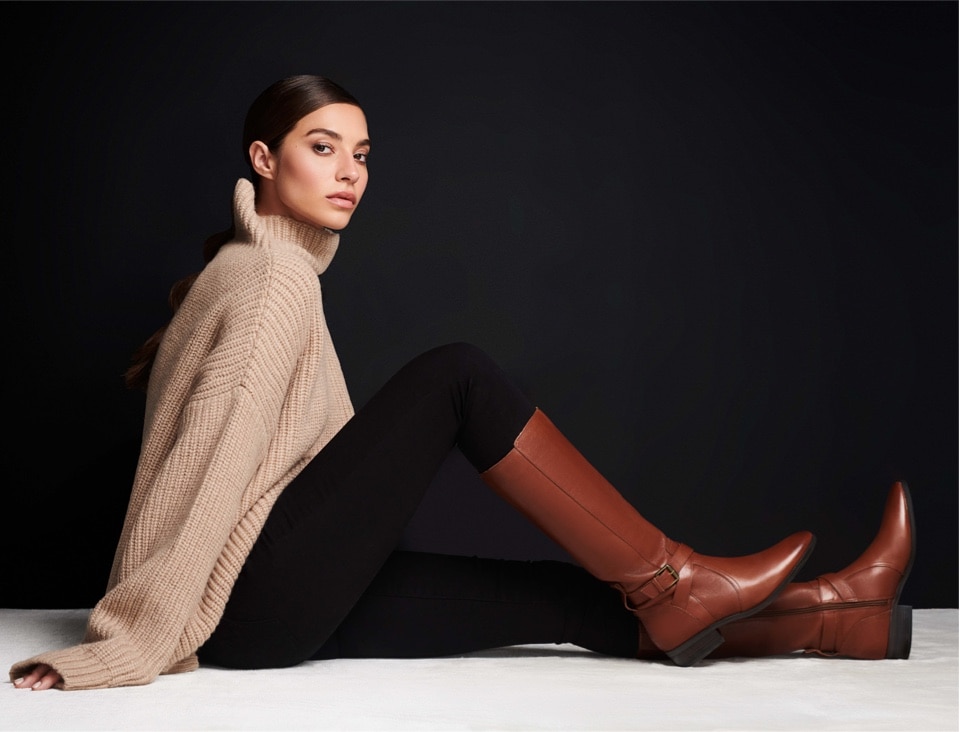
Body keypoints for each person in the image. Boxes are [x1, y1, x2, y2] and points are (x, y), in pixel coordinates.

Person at [10, 75, 914, 691]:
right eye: (322, 148)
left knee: (566, 602)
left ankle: (839, 615)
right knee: (456, 376)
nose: (348, 174)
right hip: (248, 603)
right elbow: (206, 474)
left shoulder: (259, 274)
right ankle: (673, 575)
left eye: (360, 156)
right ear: (263, 160)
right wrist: (123, 645)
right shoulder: (270, 281)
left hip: (278, 602)